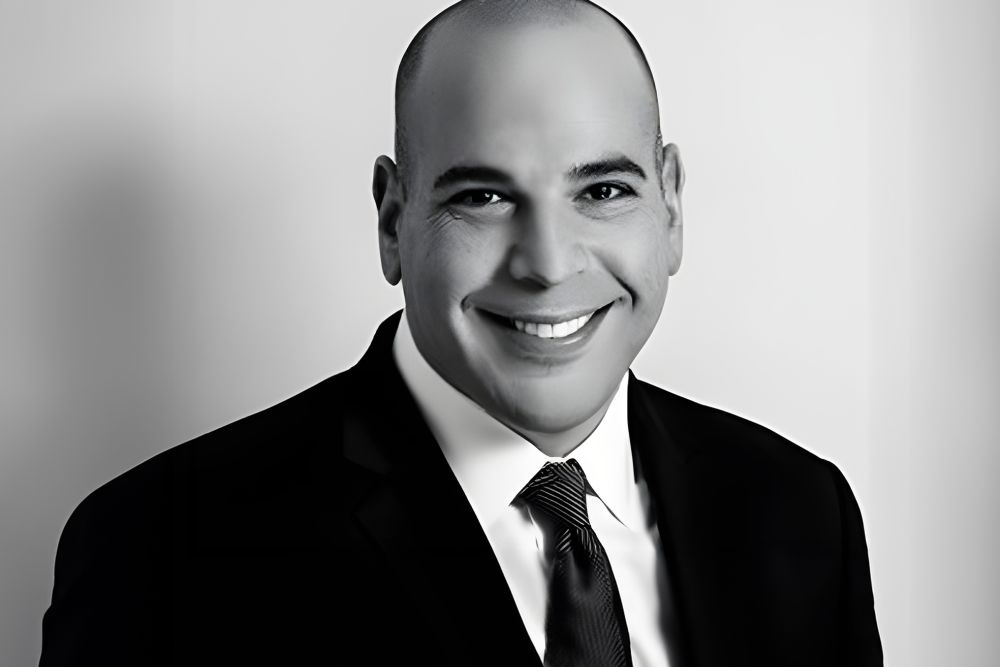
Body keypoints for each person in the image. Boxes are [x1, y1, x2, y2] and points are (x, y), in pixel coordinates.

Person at [39, 1, 882, 665]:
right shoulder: (161, 552)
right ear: (392, 218)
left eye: (603, 192)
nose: (549, 264)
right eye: (483, 196)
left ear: (671, 205)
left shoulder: (801, 511)